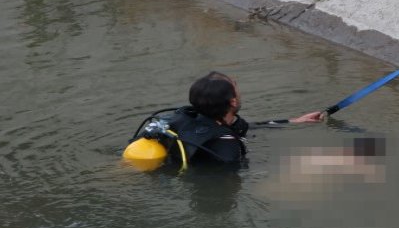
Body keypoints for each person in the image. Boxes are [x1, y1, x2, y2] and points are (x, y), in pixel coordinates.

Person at [126, 71, 323, 170]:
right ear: (233, 101)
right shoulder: (226, 145)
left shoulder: (185, 117)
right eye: (236, 87)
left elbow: (245, 127)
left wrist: (294, 121)